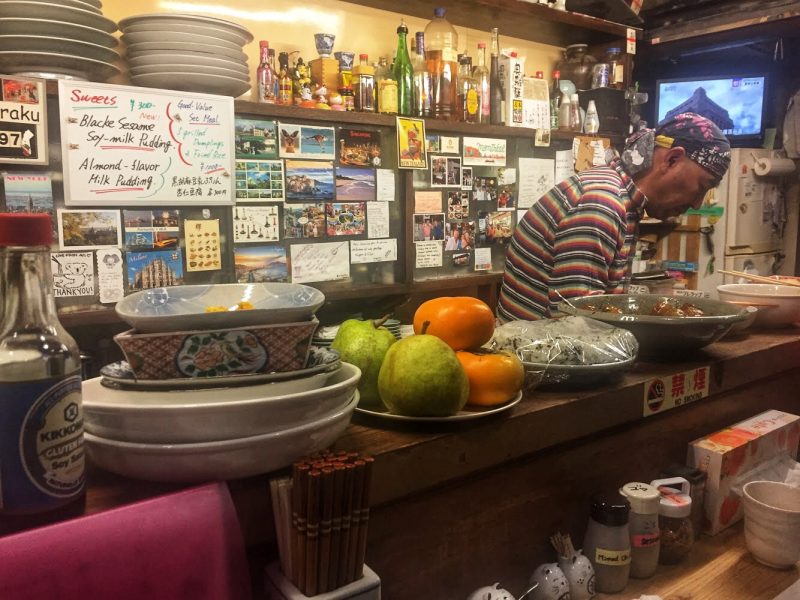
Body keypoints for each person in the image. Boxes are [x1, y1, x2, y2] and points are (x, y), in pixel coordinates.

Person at [497, 112, 731, 322]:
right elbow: (577, 324)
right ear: (672, 160)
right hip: (530, 365)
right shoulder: (602, 204)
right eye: (702, 186)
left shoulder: (619, 198)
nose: (697, 203)